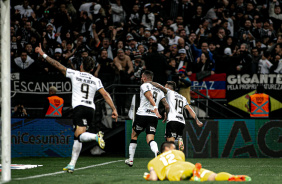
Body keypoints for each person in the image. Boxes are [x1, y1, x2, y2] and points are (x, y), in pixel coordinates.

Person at [35, 43, 118, 173]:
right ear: (92, 69)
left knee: (79, 136)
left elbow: (57, 64)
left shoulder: (75, 74)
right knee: (77, 136)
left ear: (81, 66)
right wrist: (114, 109)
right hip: (90, 109)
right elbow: (106, 94)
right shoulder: (96, 80)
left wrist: (43, 54)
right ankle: (72, 164)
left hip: (79, 108)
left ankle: (96, 137)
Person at [125, 70, 170, 167]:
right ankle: (156, 152)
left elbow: (149, 95)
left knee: (134, 135)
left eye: (142, 77)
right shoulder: (159, 89)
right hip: (153, 117)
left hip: (142, 115)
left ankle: (131, 160)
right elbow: (166, 104)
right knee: (150, 139)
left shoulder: (144, 85)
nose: (141, 79)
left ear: (144, 78)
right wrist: (166, 113)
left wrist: (154, 106)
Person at [144, 142, 251, 181]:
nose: (175, 148)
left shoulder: (153, 162)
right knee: (213, 176)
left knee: (182, 176)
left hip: (172, 170)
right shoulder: (179, 154)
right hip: (187, 165)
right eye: (174, 147)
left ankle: (191, 173)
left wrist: (148, 176)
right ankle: (231, 177)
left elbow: (153, 178)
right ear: (167, 149)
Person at [150, 81, 203, 151]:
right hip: (181, 121)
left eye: (165, 85)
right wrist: (197, 120)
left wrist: (149, 82)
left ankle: (173, 158)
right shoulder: (182, 97)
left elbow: (159, 86)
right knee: (178, 138)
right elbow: (190, 109)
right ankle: (179, 142)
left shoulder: (168, 92)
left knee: (170, 142)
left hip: (172, 120)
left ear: (168, 86)